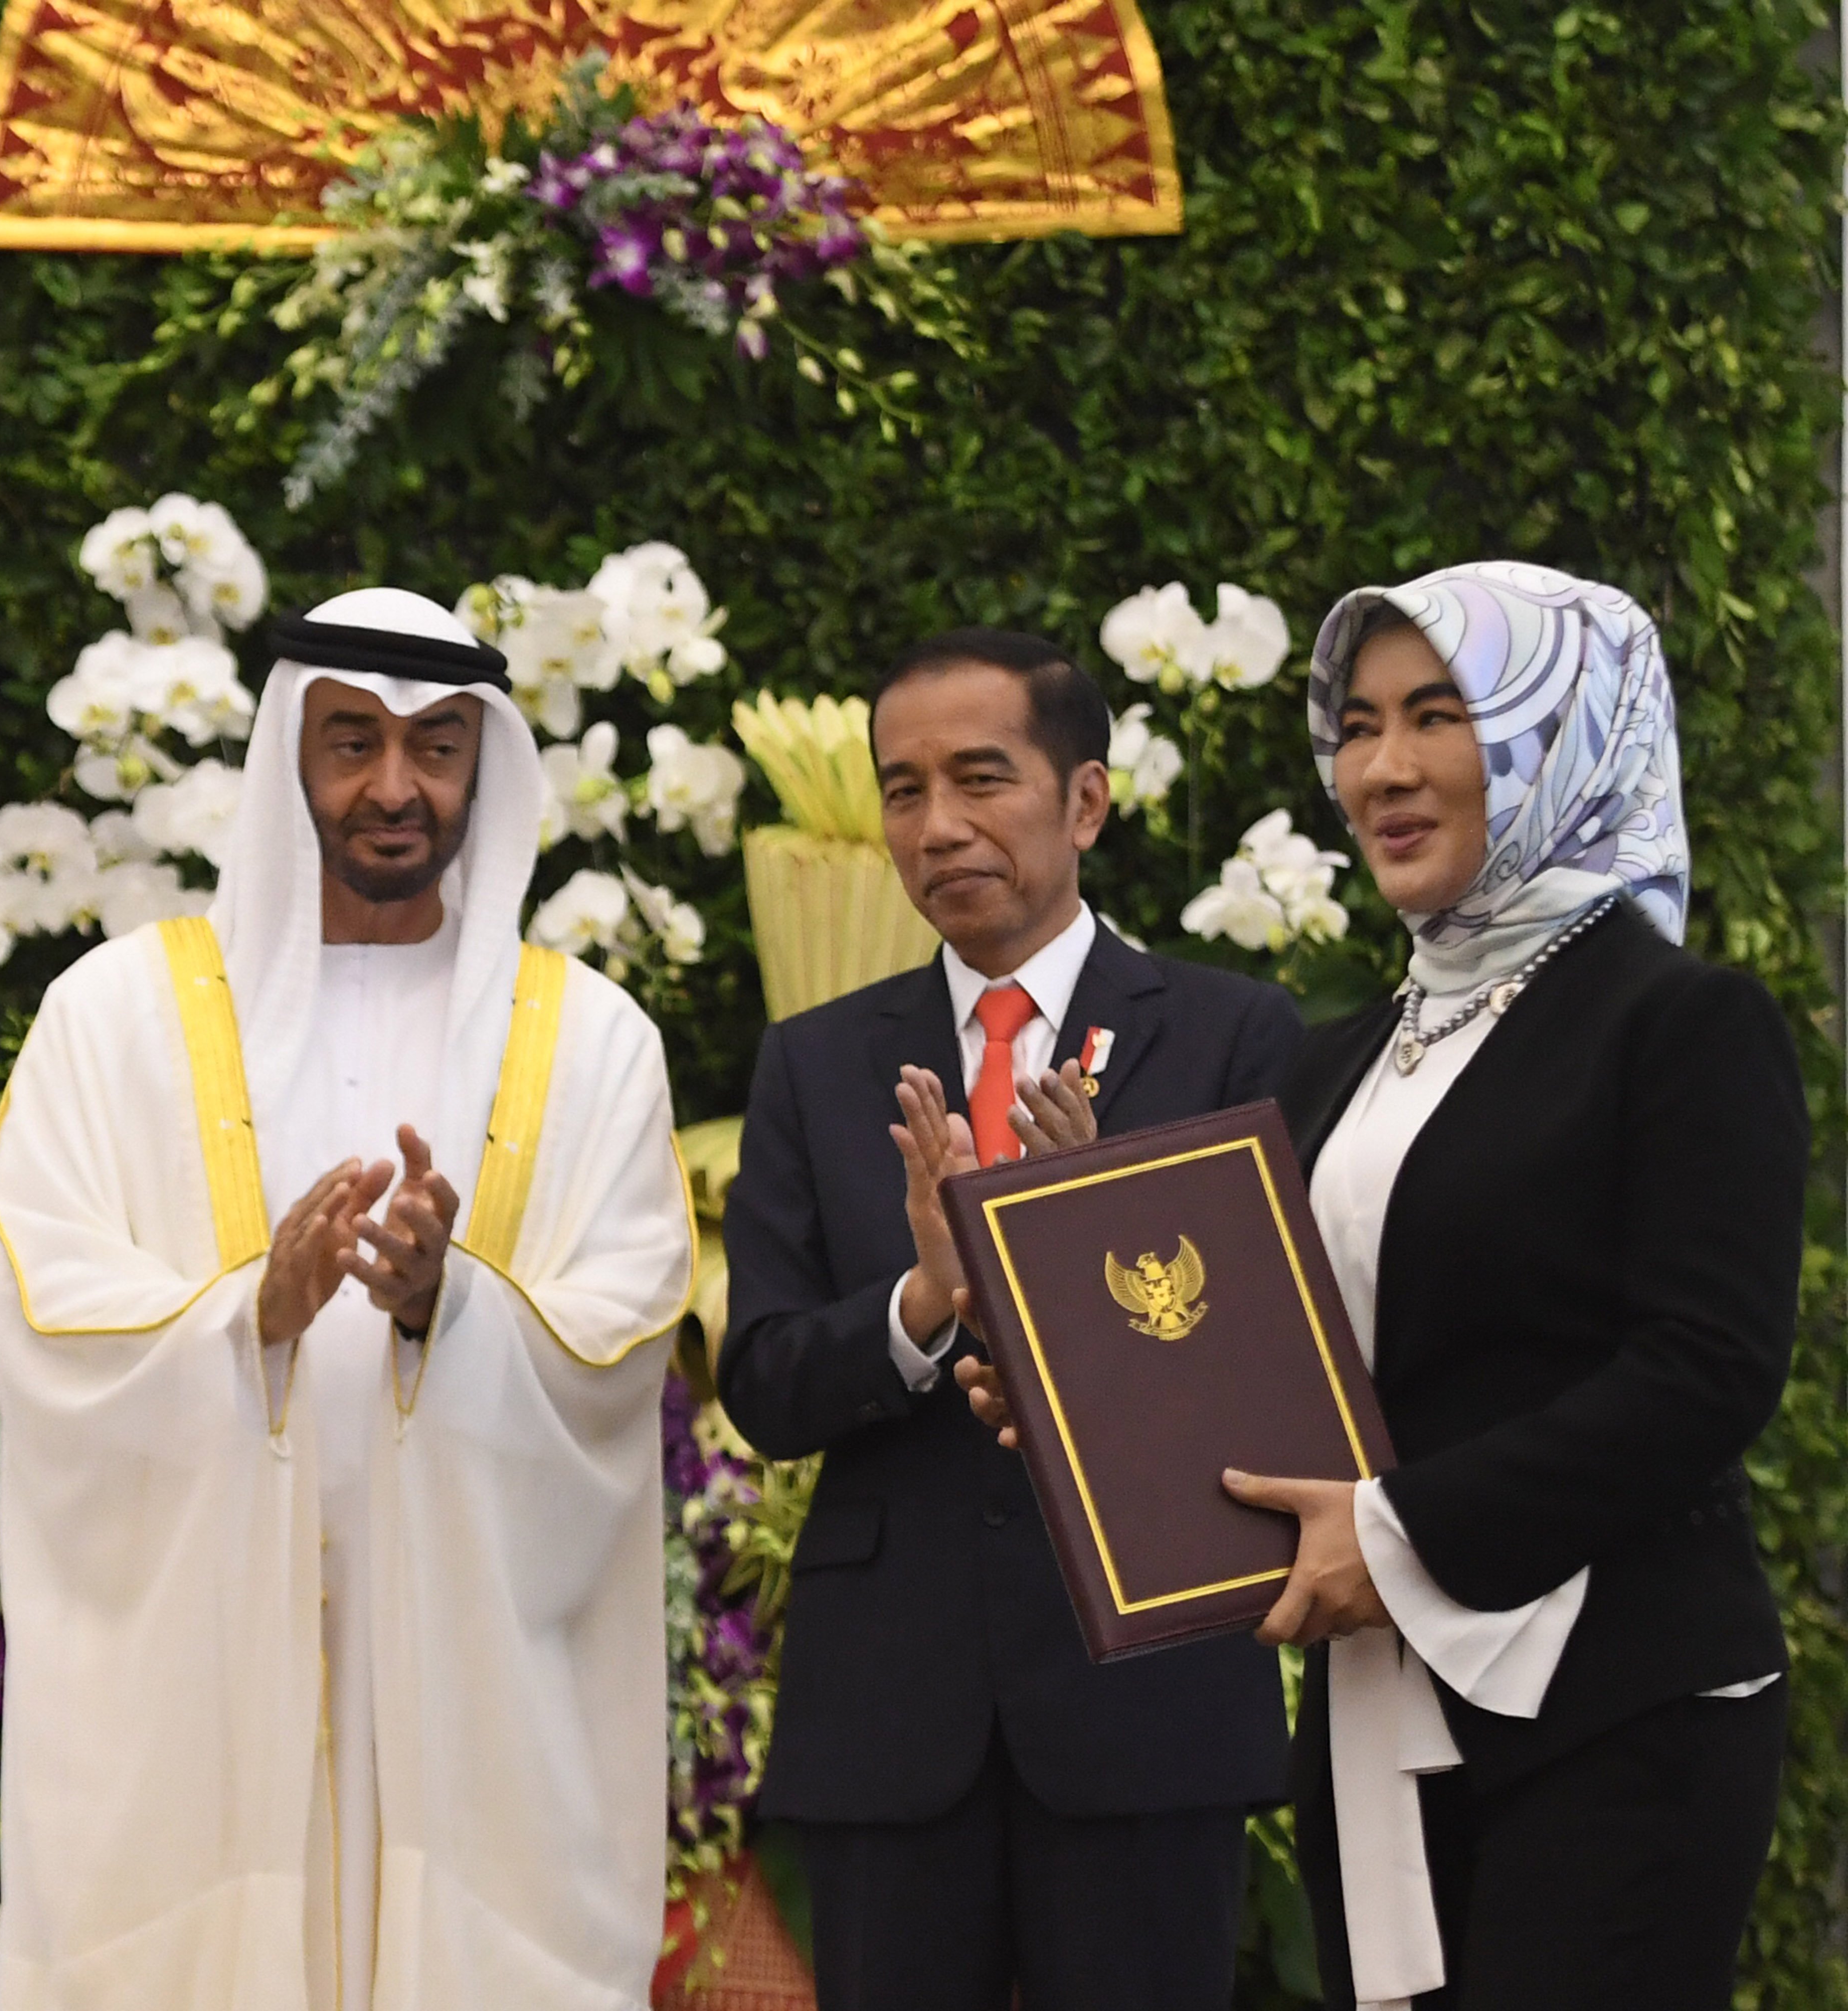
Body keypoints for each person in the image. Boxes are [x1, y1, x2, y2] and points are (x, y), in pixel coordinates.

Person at [0, 589, 695, 2009]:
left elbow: (624, 1321)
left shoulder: (594, 1041)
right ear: (286, 757)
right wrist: (254, 1313)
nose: (393, 787)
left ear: (483, 763)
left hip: (471, 1695)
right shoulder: (111, 1017)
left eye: (435, 747)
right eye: (351, 742)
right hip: (202, 1698)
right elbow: (46, 1286)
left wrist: (448, 1309)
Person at [1215, 563, 1800, 2009]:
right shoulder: (1338, 1059)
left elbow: (1705, 1370)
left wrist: (1401, 1538)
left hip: (1617, 1718)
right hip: (1383, 1716)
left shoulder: (1681, 1022)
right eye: (1356, 725)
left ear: (1567, 733)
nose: (1385, 770)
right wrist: (1055, 1389)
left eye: (1442, 714)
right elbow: (1289, 1365)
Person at [719, 628, 1299, 2011]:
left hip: (1142, 1702)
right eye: (904, 790)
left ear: (1085, 802)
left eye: (983, 780)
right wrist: (928, 1301)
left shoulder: (1230, 1037)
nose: (940, 826)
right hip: (891, 1713)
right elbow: (767, 1379)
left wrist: (1083, 1245)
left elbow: (1277, 1371)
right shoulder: (818, 1059)